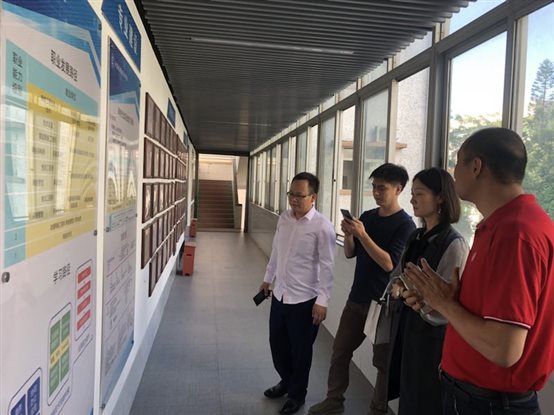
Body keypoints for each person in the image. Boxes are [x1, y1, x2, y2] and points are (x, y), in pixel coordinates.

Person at [404, 128, 554, 415]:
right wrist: (445, 298)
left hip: (489, 403)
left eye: (457, 163)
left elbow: (503, 349)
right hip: (475, 396)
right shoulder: (499, 226)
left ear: (476, 167)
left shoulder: (515, 234)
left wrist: (445, 304)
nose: (453, 173)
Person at [308, 163, 416, 415]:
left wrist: (363, 235)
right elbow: (350, 253)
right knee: (340, 352)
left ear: (398, 189)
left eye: (382, 188)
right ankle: (334, 400)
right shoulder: (367, 216)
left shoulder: (405, 225)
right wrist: (350, 235)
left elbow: (389, 263)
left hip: (384, 305)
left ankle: (377, 410)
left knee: (382, 363)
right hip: (357, 298)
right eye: (374, 187)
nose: (376, 192)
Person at [384, 167, 469, 415]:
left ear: (440, 197)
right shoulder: (416, 236)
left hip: (433, 340)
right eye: (412, 193)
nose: (412, 199)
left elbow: (448, 305)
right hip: (408, 329)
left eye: (419, 193)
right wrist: (399, 287)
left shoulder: (454, 244)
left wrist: (418, 299)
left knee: (426, 400)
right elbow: (398, 275)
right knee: (408, 394)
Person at [261, 172, 336, 415]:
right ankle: (286, 381)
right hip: (280, 295)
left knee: (301, 351)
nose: (293, 199)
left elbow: (327, 266)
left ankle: (296, 395)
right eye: (291, 194)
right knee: (277, 344)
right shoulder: (284, 218)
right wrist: (267, 279)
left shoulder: (322, 226)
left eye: (299, 195)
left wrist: (322, 301)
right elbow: (276, 251)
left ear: (313, 197)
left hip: (305, 300)